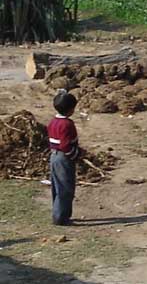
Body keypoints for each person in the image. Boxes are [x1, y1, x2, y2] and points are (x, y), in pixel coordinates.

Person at [47, 90, 82, 225]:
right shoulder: (67, 124)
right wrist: (76, 155)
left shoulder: (53, 122)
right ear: (70, 110)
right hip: (63, 158)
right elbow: (66, 145)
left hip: (54, 156)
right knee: (66, 188)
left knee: (57, 186)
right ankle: (61, 218)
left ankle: (59, 214)